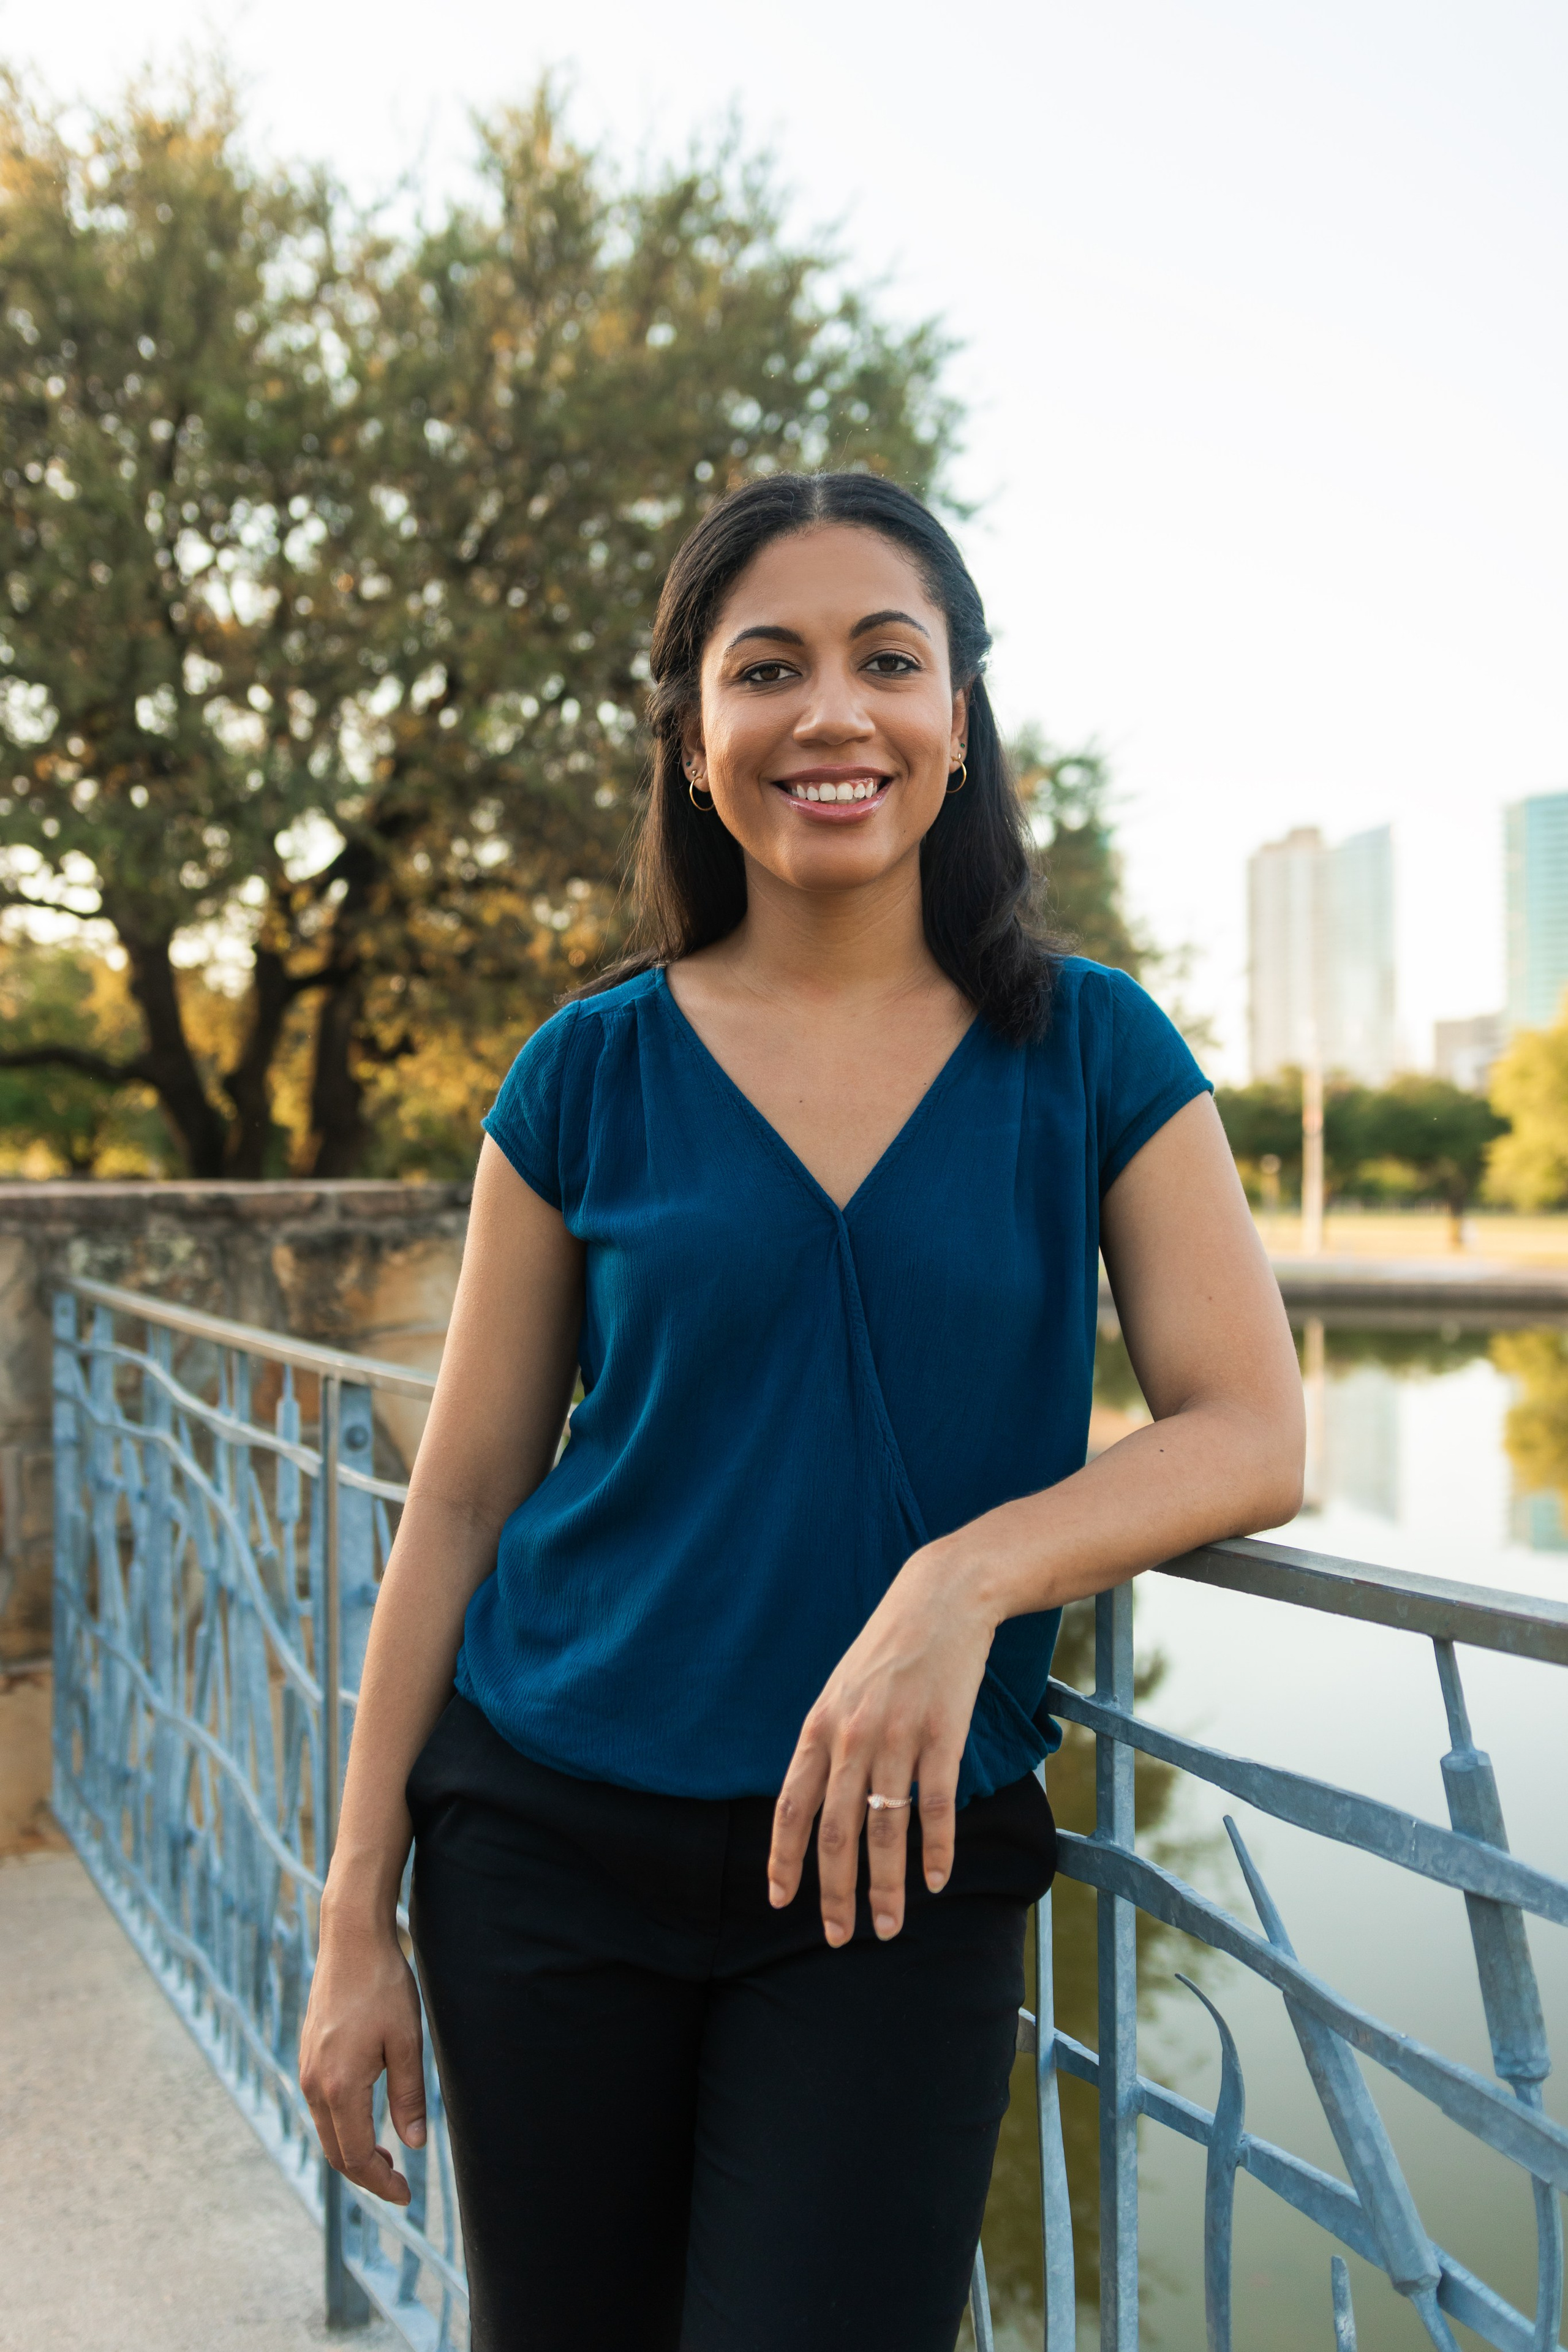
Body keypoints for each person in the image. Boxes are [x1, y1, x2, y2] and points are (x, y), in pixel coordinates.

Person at [299, 470, 1304, 2351]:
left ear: (958, 721)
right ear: (694, 739)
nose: (832, 713)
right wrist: (355, 1911)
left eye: (887, 661)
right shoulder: (582, 1075)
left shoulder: (1094, 1050)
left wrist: (962, 1584)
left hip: (894, 1868)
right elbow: (458, 1507)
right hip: (544, 1849)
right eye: (768, 668)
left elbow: (1250, 1429)